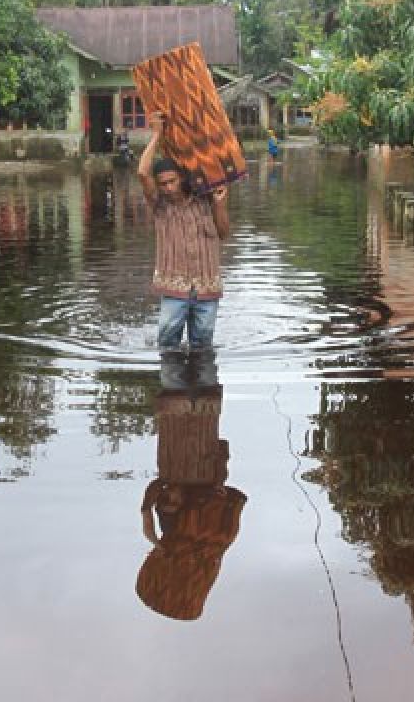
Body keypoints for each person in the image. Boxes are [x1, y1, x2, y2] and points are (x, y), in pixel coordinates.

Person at [136, 352, 246, 621]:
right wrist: (148, 508)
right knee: (177, 365)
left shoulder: (214, 548)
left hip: (205, 433)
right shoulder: (176, 536)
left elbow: (225, 491)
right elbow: (163, 489)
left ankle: (194, 350)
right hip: (182, 440)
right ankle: (182, 349)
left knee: (202, 365)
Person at [137, 112, 231, 350]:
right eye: (163, 184)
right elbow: (141, 173)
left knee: (202, 347)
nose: (168, 188)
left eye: (172, 181)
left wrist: (219, 206)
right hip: (174, 289)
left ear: (182, 179)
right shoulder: (161, 207)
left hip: (207, 286)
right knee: (168, 345)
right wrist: (157, 134)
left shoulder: (205, 200)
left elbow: (224, 233)